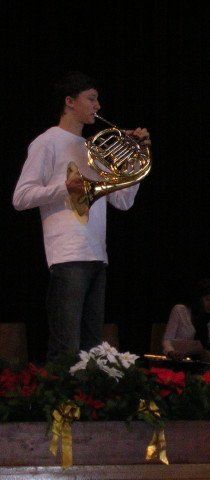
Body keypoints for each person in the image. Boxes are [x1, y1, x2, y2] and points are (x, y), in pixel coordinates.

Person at [12, 71, 150, 361]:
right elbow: (21, 197)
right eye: (91, 99)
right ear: (70, 101)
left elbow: (123, 201)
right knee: (66, 350)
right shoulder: (47, 142)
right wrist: (65, 187)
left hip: (98, 255)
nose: (98, 105)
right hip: (67, 255)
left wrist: (135, 157)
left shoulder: (92, 149)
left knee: (91, 353)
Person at [162, 279, 210, 362]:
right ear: (199, 298)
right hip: (177, 361)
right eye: (208, 299)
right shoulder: (180, 310)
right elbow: (167, 340)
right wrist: (172, 352)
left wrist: (209, 355)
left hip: (201, 363)